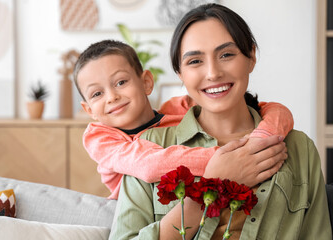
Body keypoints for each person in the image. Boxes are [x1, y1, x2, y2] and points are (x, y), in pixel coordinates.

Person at [109, 3, 332, 240]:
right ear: (180, 73)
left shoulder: (299, 148)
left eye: (226, 55)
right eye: (195, 61)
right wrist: (210, 188)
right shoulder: (148, 148)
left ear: (251, 57)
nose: (213, 73)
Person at [73, 40, 292, 200]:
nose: (112, 97)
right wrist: (225, 160)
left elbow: (273, 109)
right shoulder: (100, 137)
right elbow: (149, 165)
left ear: (147, 82)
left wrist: (262, 138)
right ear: (89, 109)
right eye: (97, 94)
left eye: (120, 82)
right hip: (129, 214)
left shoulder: (180, 108)